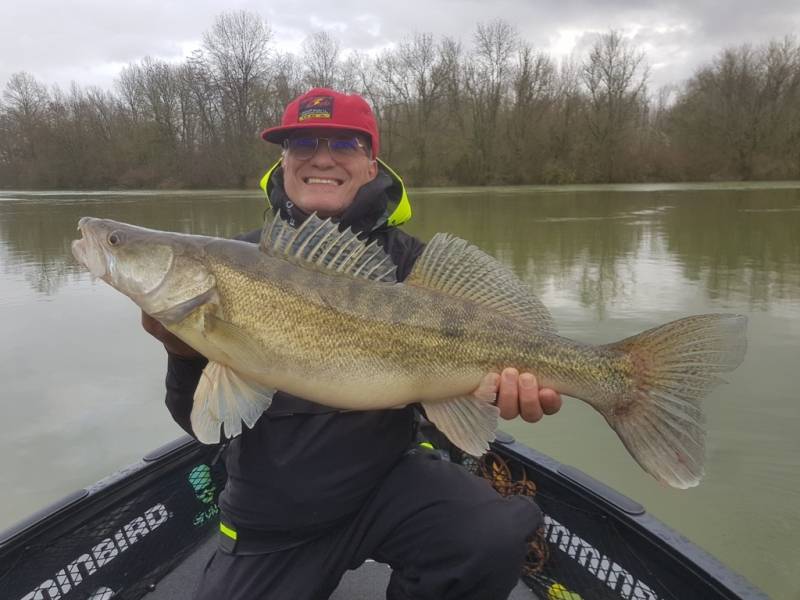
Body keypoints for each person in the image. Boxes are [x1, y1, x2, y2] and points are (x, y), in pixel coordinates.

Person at [142, 87, 562, 600]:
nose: (321, 157)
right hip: (273, 510)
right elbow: (202, 425)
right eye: (302, 144)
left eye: (343, 144)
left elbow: (453, 401)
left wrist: (486, 393)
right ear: (283, 161)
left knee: (488, 536)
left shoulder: (415, 267)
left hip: (389, 483)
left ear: (371, 164)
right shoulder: (237, 263)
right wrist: (182, 353)